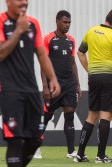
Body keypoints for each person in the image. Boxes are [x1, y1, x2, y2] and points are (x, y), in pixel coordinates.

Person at [0, 0, 60, 167]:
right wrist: (18, 31)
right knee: (15, 140)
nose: (24, 2)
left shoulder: (33, 23)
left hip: (31, 90)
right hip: (10, 90)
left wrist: (53, 78)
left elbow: (41, 54)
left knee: (35, 140)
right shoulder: (2, 22)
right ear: (8, 1)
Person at [73, 8, 112, 163]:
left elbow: (80, 53)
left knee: (92, 115)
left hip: (94, 78)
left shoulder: (91, 31)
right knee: (106, 115)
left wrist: (90, 70)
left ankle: (79, 154)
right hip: (109, 78)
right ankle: (101, 156)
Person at [34, 10, 82, 159]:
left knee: (69, 116)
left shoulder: (71, 40)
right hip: (53, 86)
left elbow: (73, 63)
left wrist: (78, 85)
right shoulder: (48, 39)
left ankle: (70, 151)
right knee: (46, 117)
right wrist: (45, 86)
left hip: (69, 85)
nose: (67, 25)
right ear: (57, 22)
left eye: (69, 22)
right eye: (65, 22)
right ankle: (34, 148)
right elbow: (43, 64)